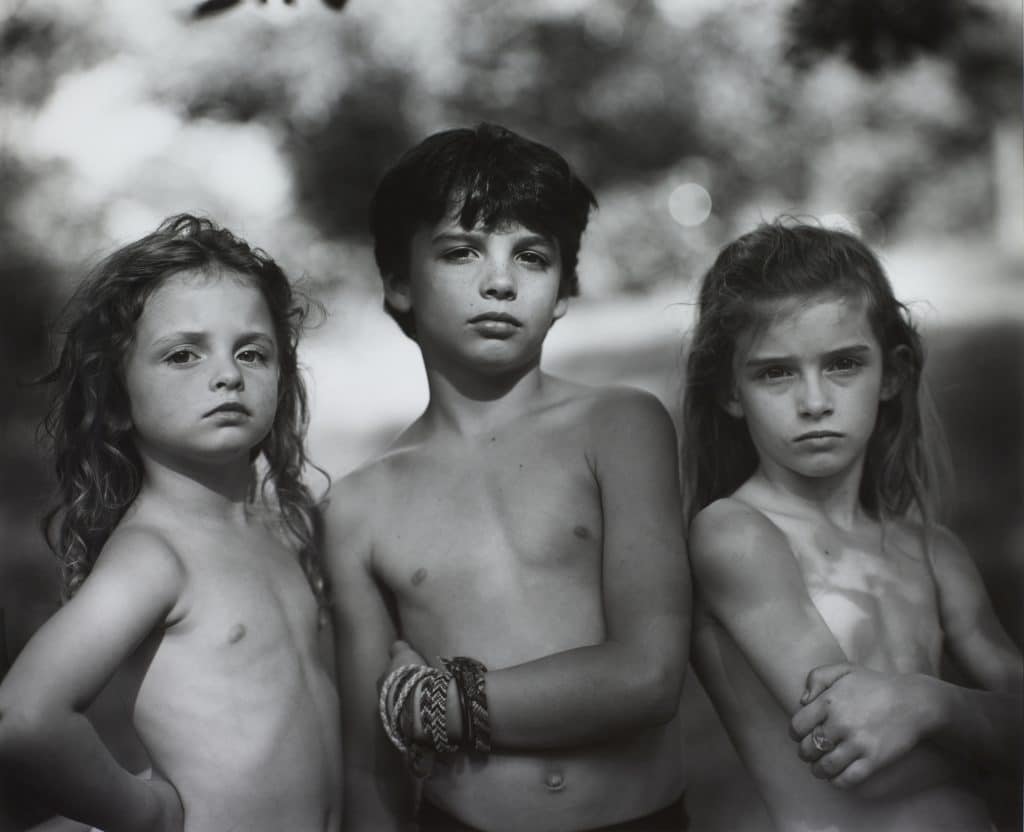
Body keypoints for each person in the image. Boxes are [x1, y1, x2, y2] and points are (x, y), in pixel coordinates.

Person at [325, 123, 691, 832]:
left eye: (532, 255)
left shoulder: (619, 428)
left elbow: (648, 676)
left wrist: (425, 704)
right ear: (399, 283)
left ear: (562, 292)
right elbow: (370, 762)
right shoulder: (360, 507)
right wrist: (399, 719)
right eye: (461, 252)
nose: (500, 281)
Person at [0, 214, 341, 832]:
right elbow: (25, 714)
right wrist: (142, 813)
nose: (227, 374)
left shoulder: (279, 529)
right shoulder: (155, 556)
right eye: (183, 354)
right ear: (114, 401)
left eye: (251, 351)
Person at [681, 219, 1022, 832]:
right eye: (775, 372)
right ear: (731, 392)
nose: (814, 401)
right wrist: (985, 730)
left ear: (890, 374)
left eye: (842, 364)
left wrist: (929, 703)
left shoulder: (933, 552)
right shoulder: (737, 535)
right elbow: (860, 758)